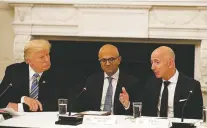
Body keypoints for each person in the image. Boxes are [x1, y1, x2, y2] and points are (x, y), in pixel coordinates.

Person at [0, 39, 64, 112]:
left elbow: (56, 104)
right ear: (28, 61)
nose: (47, 59)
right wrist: (23, 99)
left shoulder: (58, 73)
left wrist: (20, 107)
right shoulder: (14, 71)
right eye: (41, 57)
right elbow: (2, 96)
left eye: (47, 55)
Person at [142, 46, 203, 119]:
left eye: (157, 62)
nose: (152, 67)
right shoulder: (151, 83)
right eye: (152, 62)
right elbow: (144, 112)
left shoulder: (192, 86)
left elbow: (197, 117)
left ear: (170, 63)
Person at [84, 44, 142, 115]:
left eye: (111, 59)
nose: (107, 63)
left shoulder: (132, 82)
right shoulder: (92, 81)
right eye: (103, 60)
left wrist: (127, 105)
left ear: (119, 60)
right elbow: (86, 108)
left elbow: (137, 114)